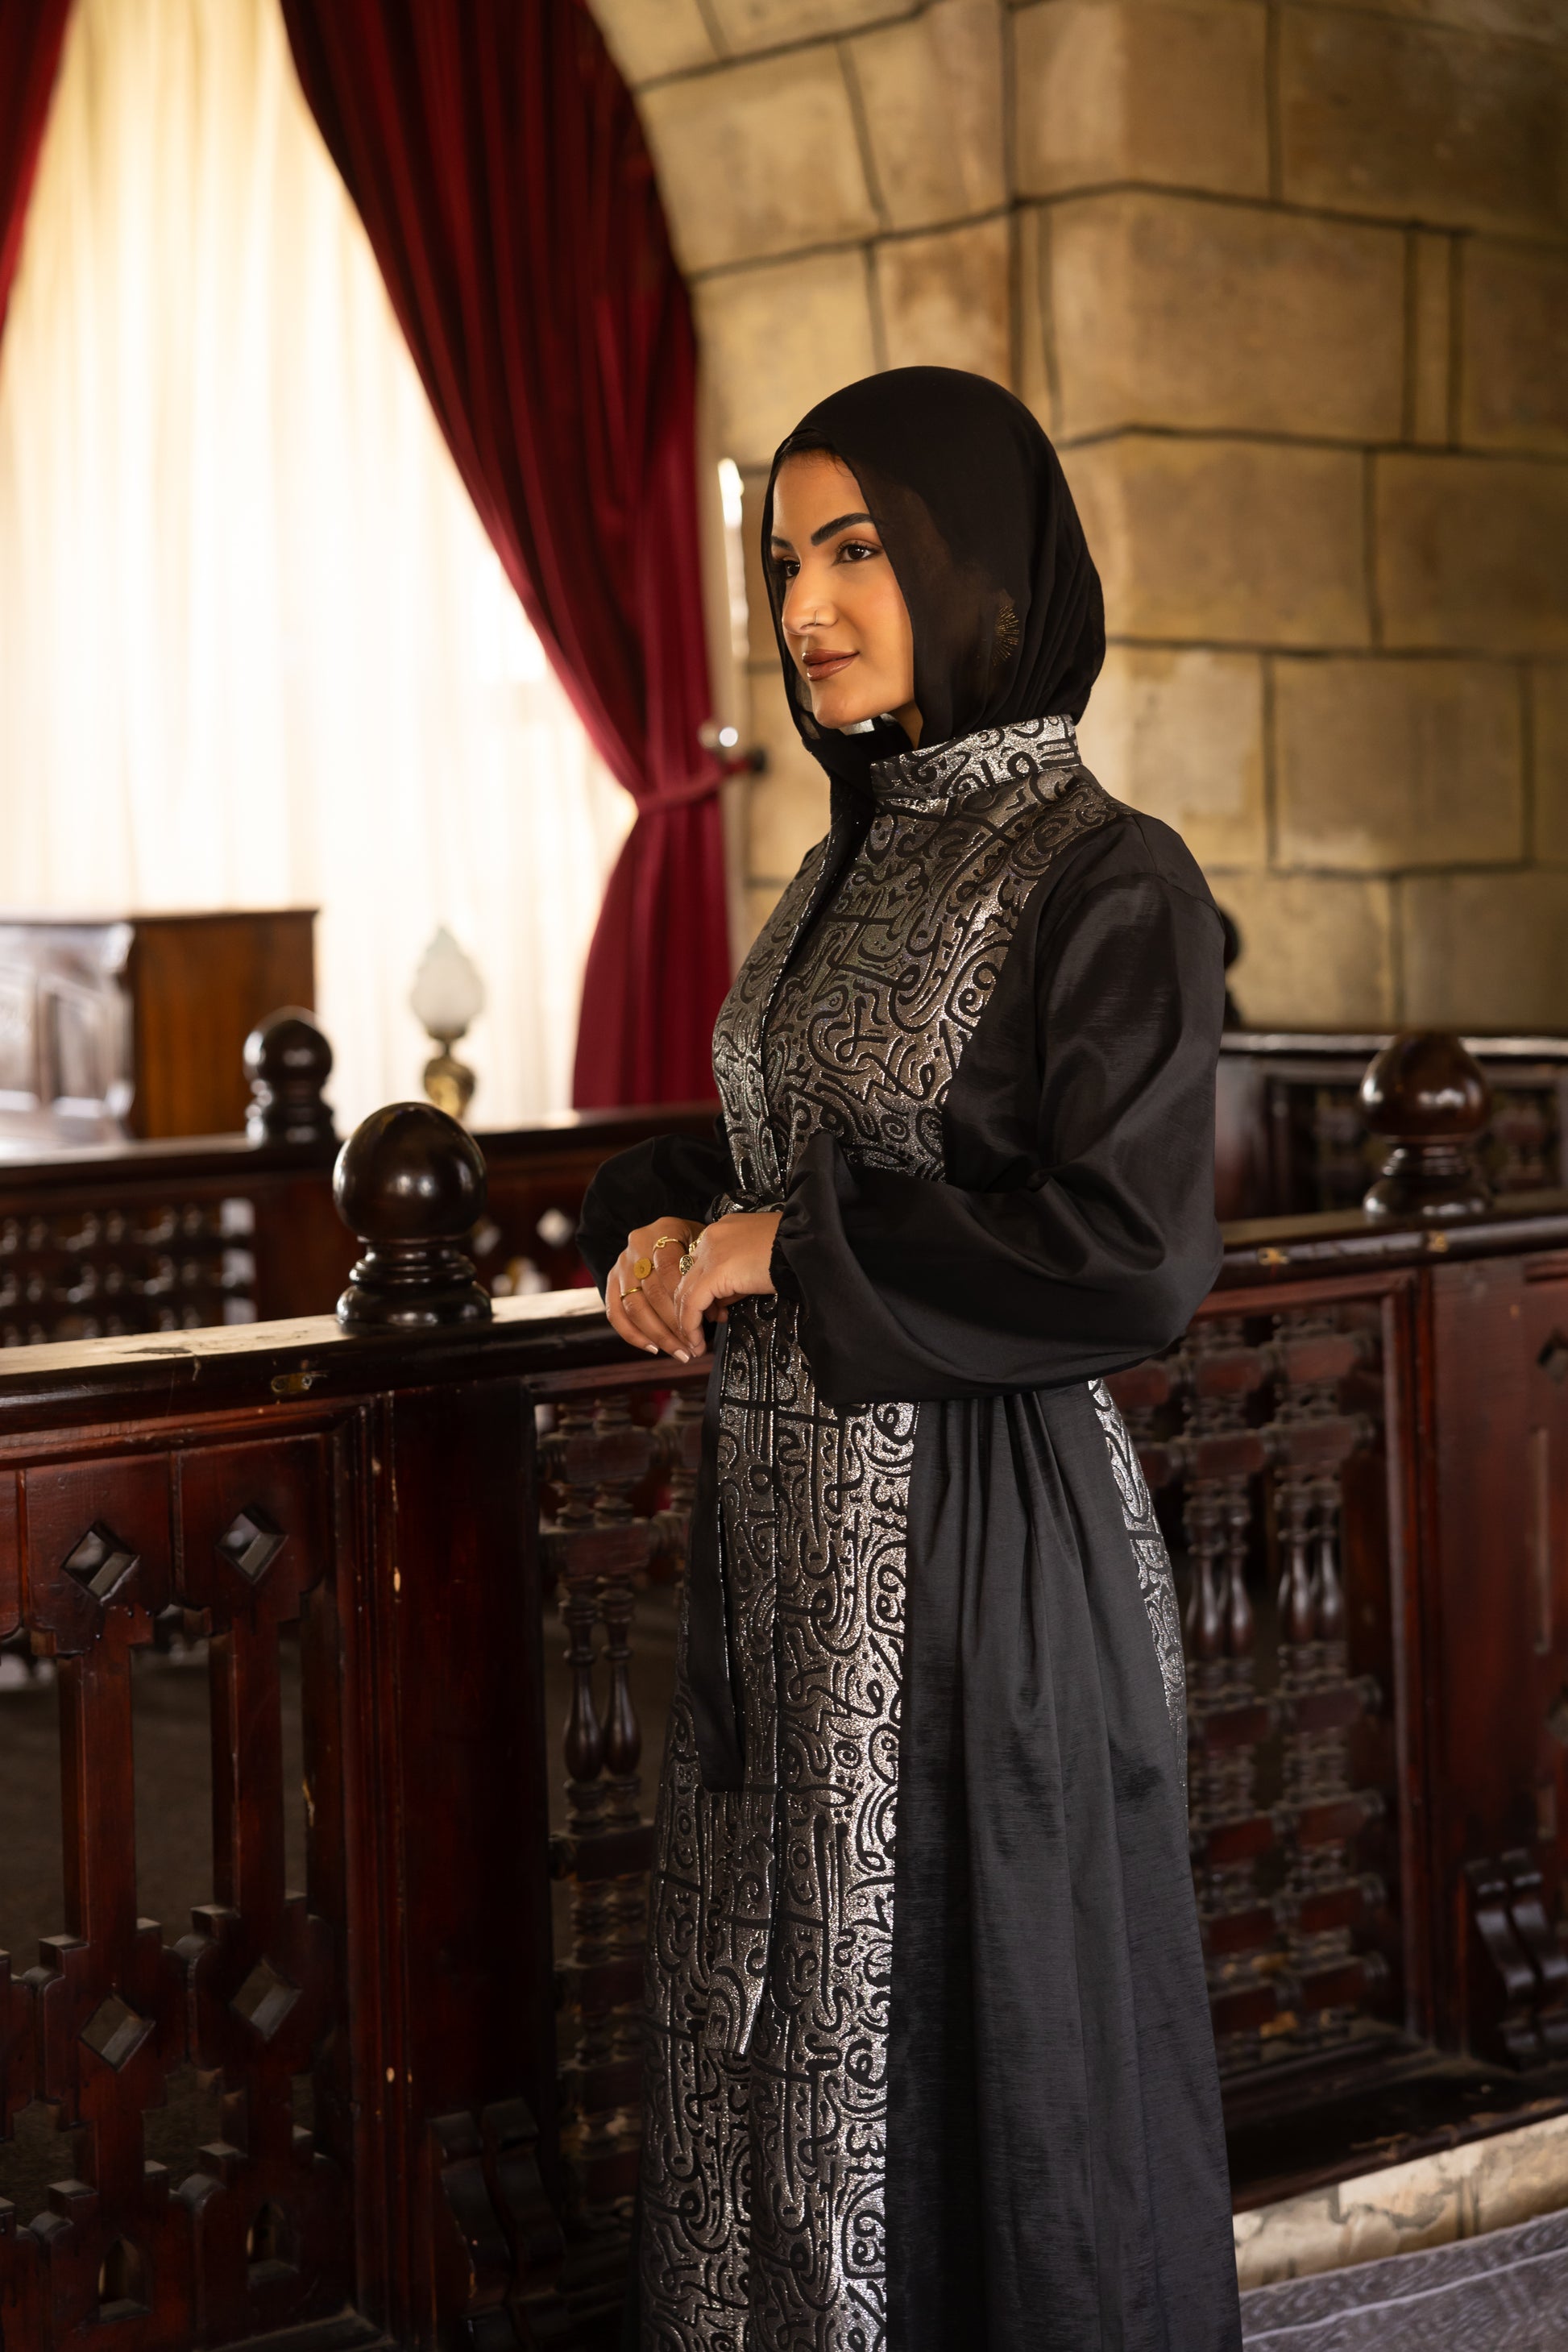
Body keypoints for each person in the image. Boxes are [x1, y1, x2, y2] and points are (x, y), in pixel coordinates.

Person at [578, 366, 1242, 2352]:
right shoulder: (843, 854)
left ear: (979, 566)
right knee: (765, 2003)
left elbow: (1125, 1253)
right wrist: (664, 1219)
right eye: (784, 557)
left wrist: (791, 1246)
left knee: (981, 2043)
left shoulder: (1108, 874)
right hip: (778, 1549)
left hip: (978, 1562)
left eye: (857, 550)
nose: (804, 605)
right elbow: (784, 1136)